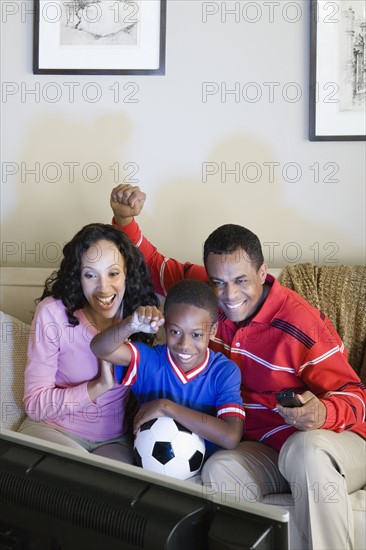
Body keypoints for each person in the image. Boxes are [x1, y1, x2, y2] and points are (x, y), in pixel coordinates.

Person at [108, 184, 366, 550]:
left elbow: (357, 395)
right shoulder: (206, 298)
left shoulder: (302, 325)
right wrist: (124, 218)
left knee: (303, 452)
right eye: (218, 282)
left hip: (332, 445)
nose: (229, 295)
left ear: (262, 272)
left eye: (241, 280)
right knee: (220, 470)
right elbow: (154, 265)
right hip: (262, 447)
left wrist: (322, 412)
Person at [18, 223, 159, 463]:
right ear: (78, 277)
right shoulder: (53, 314)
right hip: (53, 429)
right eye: (90, 275)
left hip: (112, 441)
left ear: (127, 273)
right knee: (75, 482)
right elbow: (35, 404)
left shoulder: (136, 316)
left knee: (115, 494)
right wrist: (99, 386)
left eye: (113, 273)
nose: (104, 288)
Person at [90, 279, 245, 468]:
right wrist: (132, 323)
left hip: (201, 470)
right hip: (148, 465)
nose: (184, 345)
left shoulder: (224, 372)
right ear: (165, 326)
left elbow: (230, 436)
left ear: (212, 331)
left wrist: (166, 407)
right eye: (175, 331)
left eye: (196, 335)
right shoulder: (150, 360)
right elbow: (100, 348)